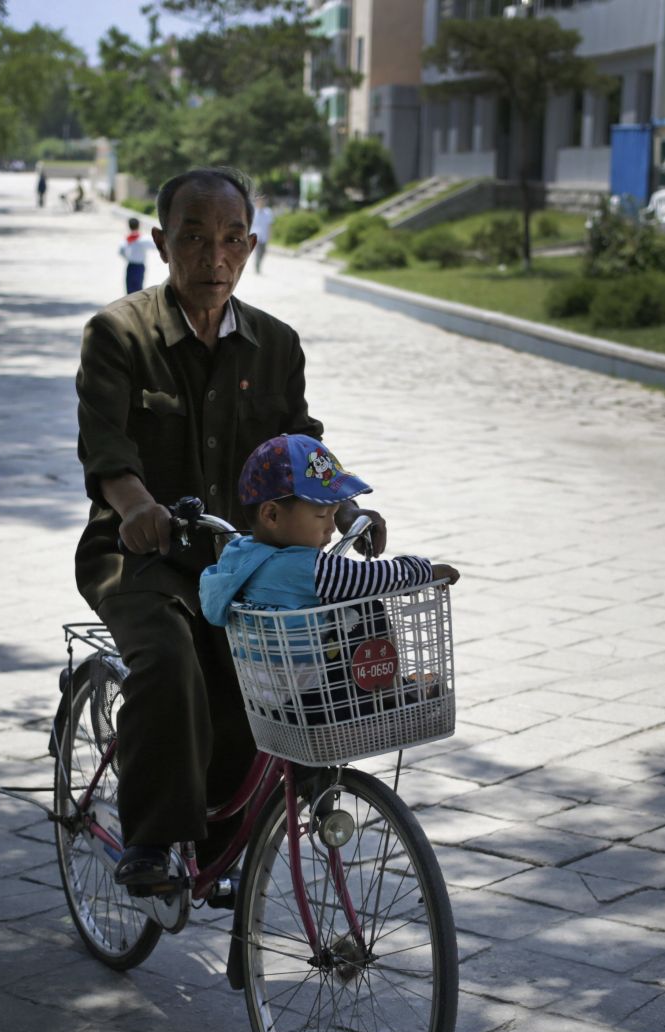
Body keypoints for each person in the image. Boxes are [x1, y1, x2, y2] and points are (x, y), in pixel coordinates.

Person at [73, 165, 385, 894]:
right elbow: (106, 452)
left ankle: (219, 831)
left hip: (243, 561)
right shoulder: (118, 335)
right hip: (138, 556)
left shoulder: (276, 345)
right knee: (172, 658)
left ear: (248, 246)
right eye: (192, 238)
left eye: (229, 240)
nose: (212, 258)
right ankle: (150, 838)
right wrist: (138, 506)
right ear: (160, 242)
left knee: (270, 665)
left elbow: (302, 450)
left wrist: (345, 509)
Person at [201, 434, 456, 722]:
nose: (332, 529)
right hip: (316, 700)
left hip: (266, 697)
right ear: (271, 514)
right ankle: (392, 695)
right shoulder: (305, 569)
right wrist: (425, 572)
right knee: (365, 605)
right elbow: (372, 578)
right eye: (322, 515)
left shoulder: (238, 555)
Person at [118, 217, 152, 295]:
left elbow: (121, 251)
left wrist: (128, 258)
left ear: (129, 226)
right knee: (138, 290)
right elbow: (155, 246)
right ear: (139, 226)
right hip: (140, 266)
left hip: (130, 265)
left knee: (129, 289)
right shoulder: (144, 239)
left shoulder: (126, 239)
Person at [250, 199, 275, 274]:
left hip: (264, 235)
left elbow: (270, 224)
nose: (260, 204)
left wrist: (270, 234)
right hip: (256, 236)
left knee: (263, 252)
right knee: (258, 252)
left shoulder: (268, 212)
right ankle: (257, 266)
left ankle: (259, 263)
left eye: (262, 202)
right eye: (259, 202)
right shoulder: (254, 212)